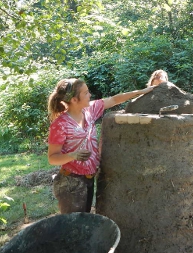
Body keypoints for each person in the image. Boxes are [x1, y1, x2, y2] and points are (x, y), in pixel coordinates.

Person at [47, 78, 154, 214]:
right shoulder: (60, 124)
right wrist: (72, 156)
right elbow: (52, 158)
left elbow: (114, 100)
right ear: (74, 100)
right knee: (72, 225)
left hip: (89, 179)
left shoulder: (89, 110)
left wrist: (141, 91)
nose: (90, 95)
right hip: (71, 182)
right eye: (85, 93)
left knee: (84, 219)